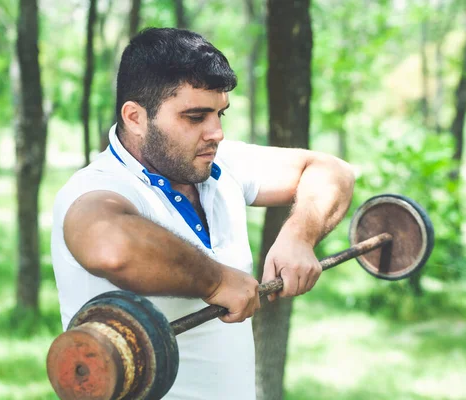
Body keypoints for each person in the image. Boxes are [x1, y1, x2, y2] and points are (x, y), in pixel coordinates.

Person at [51, 27, 354, 400]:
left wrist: (299, 236)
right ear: (135, 117)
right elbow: (109, 244)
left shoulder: (216, 164)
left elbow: (331, 171)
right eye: (196, 117)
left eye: (220, 113)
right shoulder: (98, 187)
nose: (216, 132)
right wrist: (214, 282)